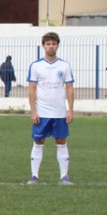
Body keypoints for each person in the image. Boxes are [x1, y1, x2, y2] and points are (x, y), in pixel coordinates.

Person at [27, 32, 75, 185]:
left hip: (60, 112)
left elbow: (69, 88)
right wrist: (33, 111)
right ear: (43, 46)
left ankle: (64, 176)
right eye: (48, 43)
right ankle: (34, 176)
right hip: (42, 112)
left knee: (61, 141)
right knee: (38, 141)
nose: (51, 46)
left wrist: (70, 110)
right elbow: (31, 89)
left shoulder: (64, 65)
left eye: (53, 43)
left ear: (57, 45)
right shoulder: (36, 66)